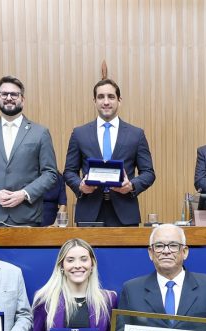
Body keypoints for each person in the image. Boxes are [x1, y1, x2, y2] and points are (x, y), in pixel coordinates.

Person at [63, 78, 155, 226]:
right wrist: (80, 185)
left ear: (119, 100)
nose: (106, 102)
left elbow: (149, 173)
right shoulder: (79, 134)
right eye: (101, 97)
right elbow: (68, 172)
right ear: (94, 101)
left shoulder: (136, 134)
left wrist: (131, 186)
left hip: (125, 213)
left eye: (111, 97)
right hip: (88, 213)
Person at [0, 75, 58, 227]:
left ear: (22, 99)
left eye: (14, 94)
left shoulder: (40, 132)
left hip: (28, 216)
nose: (9, 98)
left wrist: (24, 194)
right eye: (4, 94)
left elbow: (50, 173)